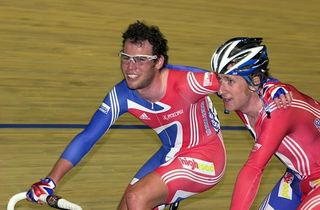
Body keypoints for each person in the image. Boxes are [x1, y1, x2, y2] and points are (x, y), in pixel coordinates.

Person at [26, 20, 227, 210]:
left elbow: (237, 87)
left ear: (158, 62)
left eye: (140, 60)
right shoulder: (122, 95)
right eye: (126, 58)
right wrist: (51, 180)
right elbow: (88, 136)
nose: (131, 67)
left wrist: (258, 128)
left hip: (206, 159)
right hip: (170, 153)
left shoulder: (189, 81)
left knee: (136, 197)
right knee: (128, 205)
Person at [211, 37, 320, 210]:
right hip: (299, 177)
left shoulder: (279, 107)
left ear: (254, 81)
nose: (220, 90)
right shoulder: (244, 96)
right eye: (219, 79)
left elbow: (253, 169)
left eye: (229, 81)